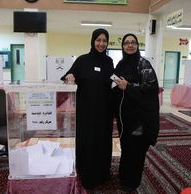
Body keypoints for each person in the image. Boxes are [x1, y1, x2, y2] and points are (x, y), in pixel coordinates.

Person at [61, 28, 114, 190]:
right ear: (93, 41)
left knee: (102, 140)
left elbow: (112, 81)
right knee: (88, 140)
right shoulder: (82, 60)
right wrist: (69, 76)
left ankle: (102, 172)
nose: (101, 44)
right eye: (98, 40)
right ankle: (86, 173)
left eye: (104, 41)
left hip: (105, 110)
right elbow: (69, 75)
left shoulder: (109, 61)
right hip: (86, 111)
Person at [112, 33, 160, 192]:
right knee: (126, 147)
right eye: (126, 43)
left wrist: (129, 87)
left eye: (133, 43)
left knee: (136, 150)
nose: (130, 45)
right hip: (125, 117)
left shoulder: (143, 64)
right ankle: (124, 176)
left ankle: (132, 183)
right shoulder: (121, 64)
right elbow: (115, 85)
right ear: (123, 46)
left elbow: (151, 89)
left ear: (138, 45)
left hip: (139, 118)